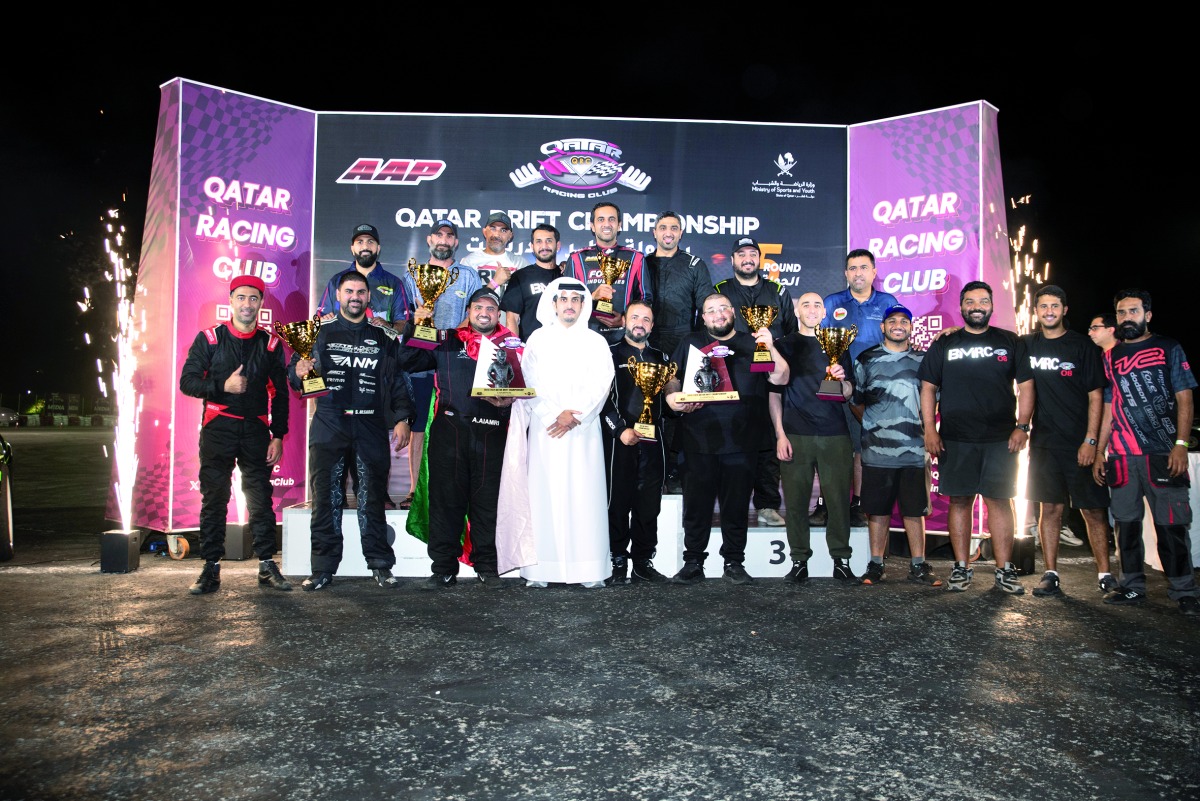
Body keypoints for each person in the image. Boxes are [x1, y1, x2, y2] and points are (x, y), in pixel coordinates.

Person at [287, 271, 415, 591]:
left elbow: (397, 381)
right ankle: (322, 569)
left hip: (370, 425)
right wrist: (298, 372)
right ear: (338, 295)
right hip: (330, 423)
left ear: (369, 297)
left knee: (372, 498)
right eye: (349, 291)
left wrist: (402, 419)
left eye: (361, 291)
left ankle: (380, 565)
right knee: (326, 499)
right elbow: (297, 375)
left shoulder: (383, 336)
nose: (355, 296)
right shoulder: (319, 332)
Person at [497, 278, 615, 588]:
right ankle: (541, 571)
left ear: (582, 305)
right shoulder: (537, 339)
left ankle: (588, 570)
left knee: (584, 496)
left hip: (582, 432)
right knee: (543, 496)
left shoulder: (596, 341)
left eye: (576, 300)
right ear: (553, 304)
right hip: (546, 429)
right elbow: (529, 380)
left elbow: (603, 383)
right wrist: (554, 414)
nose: (569, 305)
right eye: (563, 299)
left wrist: (575, 416)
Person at [918, 280, 1035, 594]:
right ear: (961, 307)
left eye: (983, 301)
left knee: (1000, 502)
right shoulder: (945, 344)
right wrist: (930, 429)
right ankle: (961, 567)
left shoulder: (1010, 341)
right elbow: (928, 387)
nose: (976, 307)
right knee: (960, 502)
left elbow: (1026, 386)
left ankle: (1004, 569)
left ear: (992, 305)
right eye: (970, 302)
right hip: (955, 438)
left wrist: (1022, 426)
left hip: (1001, 438)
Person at [665, 293, 789, 585]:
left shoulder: (753, 343)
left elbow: (781, 379)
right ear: (703, 317)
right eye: (711, 311)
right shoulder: (690, 342)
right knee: (696, 507)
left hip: (742, 441)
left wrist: (769, 345)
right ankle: (693, 562)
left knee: (736, 508)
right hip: (697, 440)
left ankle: (734, 562)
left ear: (733, 312)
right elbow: (672, 375)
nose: (718, 315)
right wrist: (671, 397)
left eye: (723, 309)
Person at [179, 274, 291, 594]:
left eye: (253, 298)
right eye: (240, 297)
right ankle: (210, 568)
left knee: (260, 500)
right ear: (230, 301)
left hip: (256, 430)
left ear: (261, 304)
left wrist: (278, 434)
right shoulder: (210, 338)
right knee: (214, 499)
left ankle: (267, 565)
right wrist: (221, 387)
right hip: (218, 428)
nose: (247, 304)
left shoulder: (270, 344)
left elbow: (280, 395)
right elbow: (188, 382)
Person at [404, 287, 519, 590]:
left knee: (488, 502)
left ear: (498, 313)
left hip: (493, 431)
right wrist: (419, 326)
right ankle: (443, 567)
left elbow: (524, 387)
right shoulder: (445, 339)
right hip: (450, 430)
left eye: (491, 308)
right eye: (478, 307)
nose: (484, 313)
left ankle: (488, 566)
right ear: (468, 311)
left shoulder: (512, 345)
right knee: (445, 503)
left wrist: (511, 400)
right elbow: (408, 361)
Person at [1093, 288, 1199, 615]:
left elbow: (1185, 399)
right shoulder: (1109, 356)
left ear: (1147, 315)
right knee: (1126, 525)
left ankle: (1183, 590)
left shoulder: (1169, 347)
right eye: (1122, 313)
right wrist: (1099, 450)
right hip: (1122, 456)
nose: (1127, 318)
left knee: (1171, 526)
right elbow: (1109, 407)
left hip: (1163, 453)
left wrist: (1180, 444)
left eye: (1134, 312)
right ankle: (1132, 587)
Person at [1021, 286, 1114, 597]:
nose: (1049, 311)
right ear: (1035, 311)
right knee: (1050, 510)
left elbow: (1096, 396)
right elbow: (994, 343)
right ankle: (1050, 574)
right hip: (1044, 443)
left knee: (1093, 510)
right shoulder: (1027, 345)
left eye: (1055, 306)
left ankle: (1105, 574)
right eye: (1043, 306)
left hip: (1079, 443)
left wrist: (1091, 441)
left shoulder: (1083, 347)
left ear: (1064, 310)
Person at [315, 223, 414, 510]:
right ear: (352, 248)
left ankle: (377, 495)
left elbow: (404, 325)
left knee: (373, 437)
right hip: (341, 370)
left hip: (379, 365)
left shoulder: (393, 283)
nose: (365, 246)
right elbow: (321, 321)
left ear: (378, 248)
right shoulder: (336, 280)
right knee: (337, 435)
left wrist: (385, 329)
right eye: (360, 242)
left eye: (371, 241)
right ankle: (337, 499)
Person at [770, 292, 859, 584]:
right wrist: (780, 435)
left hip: (835, 435)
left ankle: (842, 560)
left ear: (824, 313)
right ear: (797, 311)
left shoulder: (838, 342)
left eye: (817, 305)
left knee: (837, 502)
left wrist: (842, 378)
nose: (811, 309)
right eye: (805, 304)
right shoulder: (783, 345)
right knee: (795, 504)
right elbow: (774, 396)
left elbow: (848, 393)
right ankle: (799, 561)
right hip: (796, 434)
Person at [850, 304, 942, 587]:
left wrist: (926, 431)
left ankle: (918, 566)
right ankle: (876, 565)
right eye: (892, 321)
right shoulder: (866, 359)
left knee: (915, 510)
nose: (898, 325)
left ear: (911, 327)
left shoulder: (925, 360)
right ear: (883, 327)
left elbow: (933, 401)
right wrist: (876, 427)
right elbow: (857, 401)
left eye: (904, 321)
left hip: (915, 452)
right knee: (877, 510)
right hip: (877, 451)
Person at [714, 236, 797, 528]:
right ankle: (729, 502)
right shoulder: (720, 291)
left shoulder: (777, 291)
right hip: (733, 372)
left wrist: (776, 357)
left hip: (770, 375)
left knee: (768, 439)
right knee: (732, 437)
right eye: (742, 254)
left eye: (752, 253)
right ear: (733, 259)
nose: (747, 258)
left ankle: (767, 504)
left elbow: (791, 333)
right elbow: (711, 329)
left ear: (759, 259)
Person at [400, 219, 483, 510]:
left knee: (458, 423)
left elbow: (477, 311)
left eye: (450, 236)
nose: (444, 240)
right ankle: (413, 489)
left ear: (456, 243)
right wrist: (419, 317)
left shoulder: (469, 275)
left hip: (455, 358)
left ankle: (461, 487)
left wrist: (451, 337)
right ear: (429, 239)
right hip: (421, 357)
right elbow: (405, 316)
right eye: (439, 235)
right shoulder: (413, 275)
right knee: (419, 424)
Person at [817, 248, 900, 528]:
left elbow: (897, 341)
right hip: (838, 385)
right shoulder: (832, 302)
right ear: (845, 273)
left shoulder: (888, 302)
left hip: (876, 390)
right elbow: (821, 346)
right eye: (852, 268)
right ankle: (828, 503)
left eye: (863, 267)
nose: (858, 273)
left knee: (862, 449)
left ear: (874, 272)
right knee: (834, 447)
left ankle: (858, 503)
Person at [600, 301, 672, 585]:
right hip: (621, 441)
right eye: (635, 317)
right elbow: (601, 400)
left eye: (646, 319)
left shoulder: (662, 357)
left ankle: (643, 562)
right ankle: (617, 561)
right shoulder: (608, 354)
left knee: (648, 505)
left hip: (654, 442)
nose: (640, 322)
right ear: (624, 321)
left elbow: (671, 393)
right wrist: (620, 431)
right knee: (617, 503)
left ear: (652, 325)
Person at [646, 211, 714, 495]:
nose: (668, 232)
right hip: (647, 343)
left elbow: (706, 307)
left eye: (674, 227)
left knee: (678, 410)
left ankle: (674, 470)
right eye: (663, 227)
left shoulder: (694, 264)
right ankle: (650, 469)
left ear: (681, 232)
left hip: (681, 344)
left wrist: (697, 348)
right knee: (646, 405)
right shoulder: (642, 263)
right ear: (655, 232)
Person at [563, 202, 653, 345]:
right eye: (601, 219)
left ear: (619, 225)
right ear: (592, 226)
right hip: (585, 338)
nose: (606, 224)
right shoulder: (577, 259)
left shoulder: (636, 258)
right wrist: (592, 297)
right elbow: (564, 301)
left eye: (612, 219)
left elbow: (645, 299)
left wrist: (624, 319)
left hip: (625, 339)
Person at [500, 223, 563, 341]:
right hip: (531, 348)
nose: (544, 246)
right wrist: (515, 350)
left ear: (558, 245)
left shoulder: (567, 276)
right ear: (532, 246)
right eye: (539, 241)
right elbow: (512, 318)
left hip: (563, 348)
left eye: (549, 241)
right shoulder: (521, 276)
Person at [459, 211, 527, 295]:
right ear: (484, 232)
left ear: (510, 236)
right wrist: (494, 283)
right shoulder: (469, 262)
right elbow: (464, 299)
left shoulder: (520, 263)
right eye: (493, 228)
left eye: (503, 230)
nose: (497, 234)